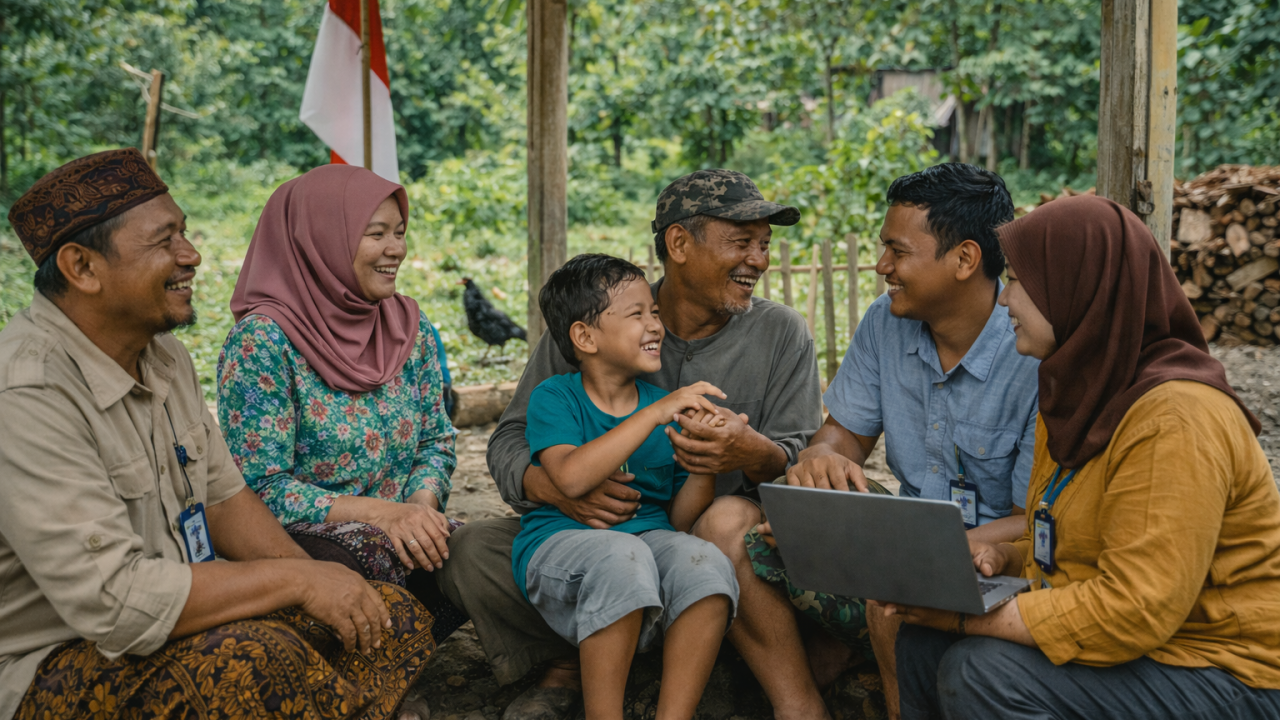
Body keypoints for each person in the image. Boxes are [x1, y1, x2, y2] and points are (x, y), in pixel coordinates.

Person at [0, 149, 435, 720]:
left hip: (186, 607)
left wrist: (318, 581)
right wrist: (296, 582)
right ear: (82, 268)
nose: (192, 255)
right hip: (60, 655)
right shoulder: (28, 394)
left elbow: (226, 499)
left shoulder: (164, 357)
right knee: (257, 663)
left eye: (185, 233)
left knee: (387, 616)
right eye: (165, 242)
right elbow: (117, 605)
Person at [435, 169, 822, 720]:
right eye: (742, 243)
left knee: (714, 537)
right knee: (471, 549)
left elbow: (799, 463)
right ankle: (576, 659)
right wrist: (559, 487)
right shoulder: (589, 323)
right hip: (588, 533)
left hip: (713, 540)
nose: (759, 260)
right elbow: (509, 441)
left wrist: (744, 455)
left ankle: (741, 674)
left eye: (764, 245)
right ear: (679, 244)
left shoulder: (782, 332)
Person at [888, 194, 1280, 720]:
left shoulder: (1175, 416)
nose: (1006, 301)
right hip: (1148, 652)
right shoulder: (1082, 392)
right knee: (920, 644)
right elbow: (1080, 542)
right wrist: (1003, 559)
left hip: (1225, 668)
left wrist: (963, 620)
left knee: (982, 670)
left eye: (1024, 283)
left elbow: (1135, 608)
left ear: (1079, 289)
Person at [697, 162, 1039, 719]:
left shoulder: (1031, 350)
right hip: (902, 540)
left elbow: (1043, 518)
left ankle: (882, 685)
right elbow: (842, 435)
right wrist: (819, 460)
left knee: (896, 599)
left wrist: (924, 548)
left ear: (965, 259)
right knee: (728, 526)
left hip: (995, 565)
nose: (882, 267)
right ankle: (801, 706)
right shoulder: (886, 321)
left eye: (897, 252)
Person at [216, 165, 465, 701]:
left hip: (402, 520)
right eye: (375, 233)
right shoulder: (263, 341)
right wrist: (382, 514)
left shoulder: (408, 325)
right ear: (320, 240)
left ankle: (396, 666)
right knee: (356, 561)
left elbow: (437, 439)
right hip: (314, 536)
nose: (395, 248)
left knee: (475, 550)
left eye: (399, 231)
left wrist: (421, 506)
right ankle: (356, 687)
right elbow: (256, 488)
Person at [515, 253, 738, 720]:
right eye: (636, 314)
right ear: (584, 336)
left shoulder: (662, 406)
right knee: (622, 556)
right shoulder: (556, 396)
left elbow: (679, 521)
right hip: (559, 546)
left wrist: (705, 458)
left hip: (647, 541)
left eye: (653, 311)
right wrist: (653, 415)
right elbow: (571, 477)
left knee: (706, 564)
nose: (654, 324)